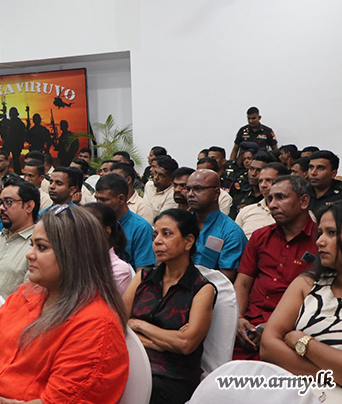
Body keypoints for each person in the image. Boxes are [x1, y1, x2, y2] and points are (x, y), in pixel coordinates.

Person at [0, 205, 129, 403]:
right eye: (32, 245)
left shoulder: (96, 326)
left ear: (74, 255)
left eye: (41, 247)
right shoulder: (25, 293)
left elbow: (58, 400)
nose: (29, 254)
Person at [124, 208, 217, 404]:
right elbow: (119, 325)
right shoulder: (143, 278)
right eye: (155, 235)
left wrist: (139, 325)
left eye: (166, 234)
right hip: (131, 363)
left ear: (188, 241)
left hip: (173, 376)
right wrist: (163, 342)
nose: (157, 241)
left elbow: (185, 344)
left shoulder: (201, 289)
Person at [260, 201, 342, 389]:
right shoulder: (307, 283)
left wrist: (304, 343)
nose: (319, 241)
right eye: (320, 233)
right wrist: (336, 376)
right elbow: (268, 347)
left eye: (332, 233)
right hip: (295, 392)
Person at [233, 175, 317, 361]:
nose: (272, 205)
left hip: (293, 329)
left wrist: (272, 327)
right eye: (270, 198)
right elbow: (242, 284)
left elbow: (318, 301)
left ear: (303, 201)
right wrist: (238, 318)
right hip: (248, 325)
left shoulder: (320, 242)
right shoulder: (260, 237)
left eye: (281, 197)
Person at [187, 169, 247, 282]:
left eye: (198, 188)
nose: (190, 194)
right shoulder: (181, 224)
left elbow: (225, 279)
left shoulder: (231, 232)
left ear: (216, 193)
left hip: (213, 289)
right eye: (188, 189)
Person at [95, 173, 156, 271]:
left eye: (103, 200)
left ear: (121, 199)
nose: (98, 204)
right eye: (97, 199)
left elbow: (142, 272)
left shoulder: (141, 228)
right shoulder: (94, 223)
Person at [82, 202, 136, 294]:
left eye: (86, 227)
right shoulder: (76, 260)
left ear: (106, 232)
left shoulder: (118, 270)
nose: (78, 231)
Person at [234, 163, 288, 238]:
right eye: (260, 181)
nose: (263, 185)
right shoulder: (246, 211)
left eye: (269, 180)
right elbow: (236, 240)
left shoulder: (291, 213)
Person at [308, 150, 342, 217]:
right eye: (311, 167)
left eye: (320, 168)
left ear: (333, 173)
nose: (313, 173)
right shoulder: (301, 192)